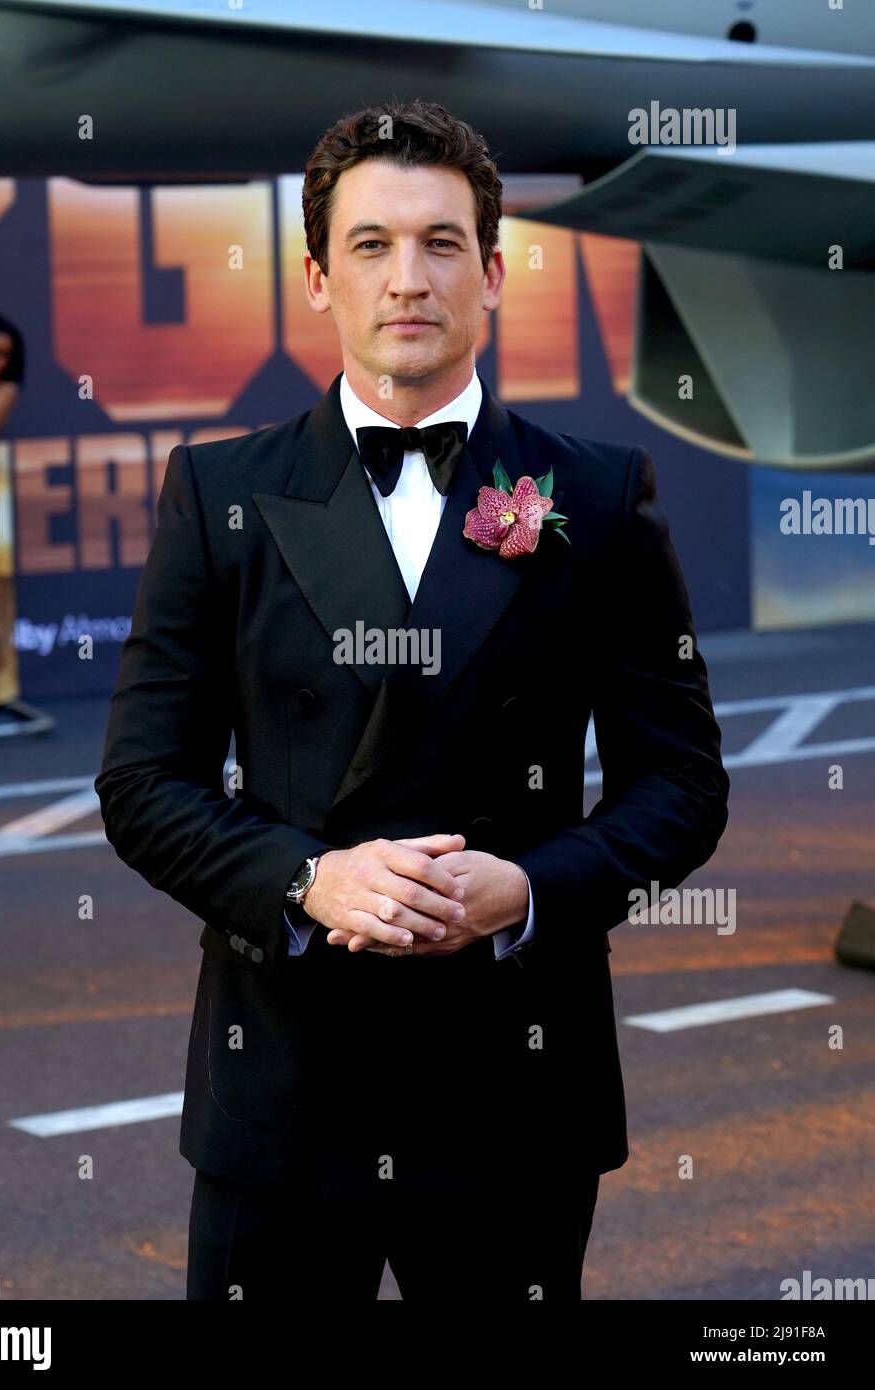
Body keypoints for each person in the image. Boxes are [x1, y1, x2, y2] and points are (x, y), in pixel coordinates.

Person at [95, 98, 729, 1303]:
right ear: (317, 277)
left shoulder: (593, 496)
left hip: (516, 1096)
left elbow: (685, 787)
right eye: (372, 245)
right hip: (281, 1088)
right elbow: (141, 782)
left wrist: (535, 889)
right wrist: (306, 878)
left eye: (442, 243)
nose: (408, 278)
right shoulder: (218, 490)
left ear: (492, 274)